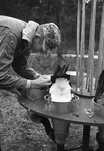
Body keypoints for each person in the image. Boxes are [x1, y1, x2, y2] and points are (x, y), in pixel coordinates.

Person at [0, 15, 61, 143]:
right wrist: (31, 84)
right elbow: (1, 76)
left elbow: (20, 65)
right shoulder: (11, 34)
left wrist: (37, 77)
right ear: (37, 38)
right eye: (43, 48)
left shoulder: (27, 39)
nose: (43, 53)